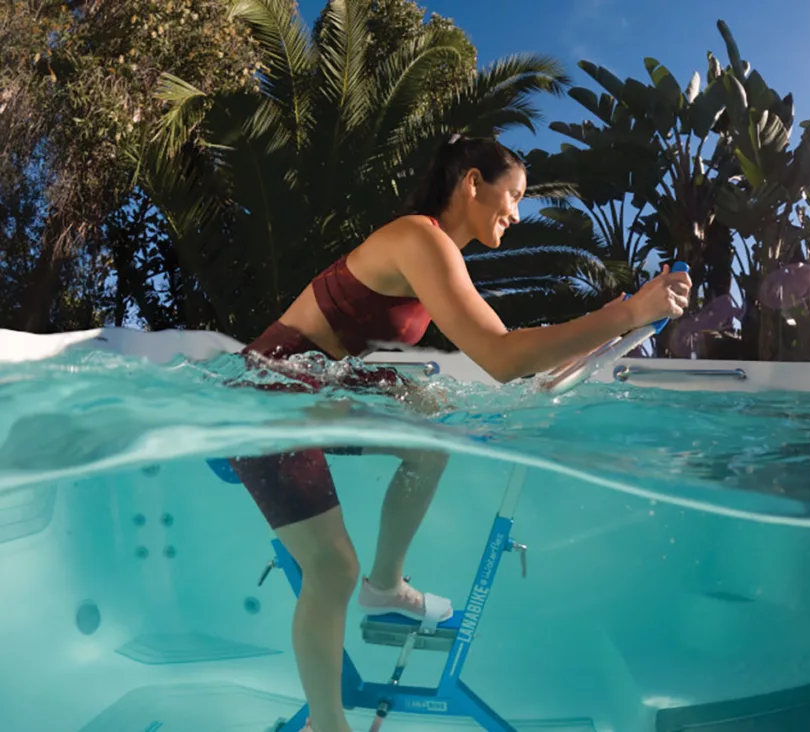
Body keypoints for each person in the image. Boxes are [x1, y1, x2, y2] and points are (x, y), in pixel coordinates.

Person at [228, 135, 692, 732]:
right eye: (514, 195)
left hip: (326, 381)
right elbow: (501, 357)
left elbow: (517, 353)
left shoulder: (439, 254)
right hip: (271, 387)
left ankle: (387, 584)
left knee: (430, 425)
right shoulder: (418, 237)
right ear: (473, 182)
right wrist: (621, 315)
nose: (518, 213)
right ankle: (327, 724)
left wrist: (613, 327)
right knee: (331, 568)